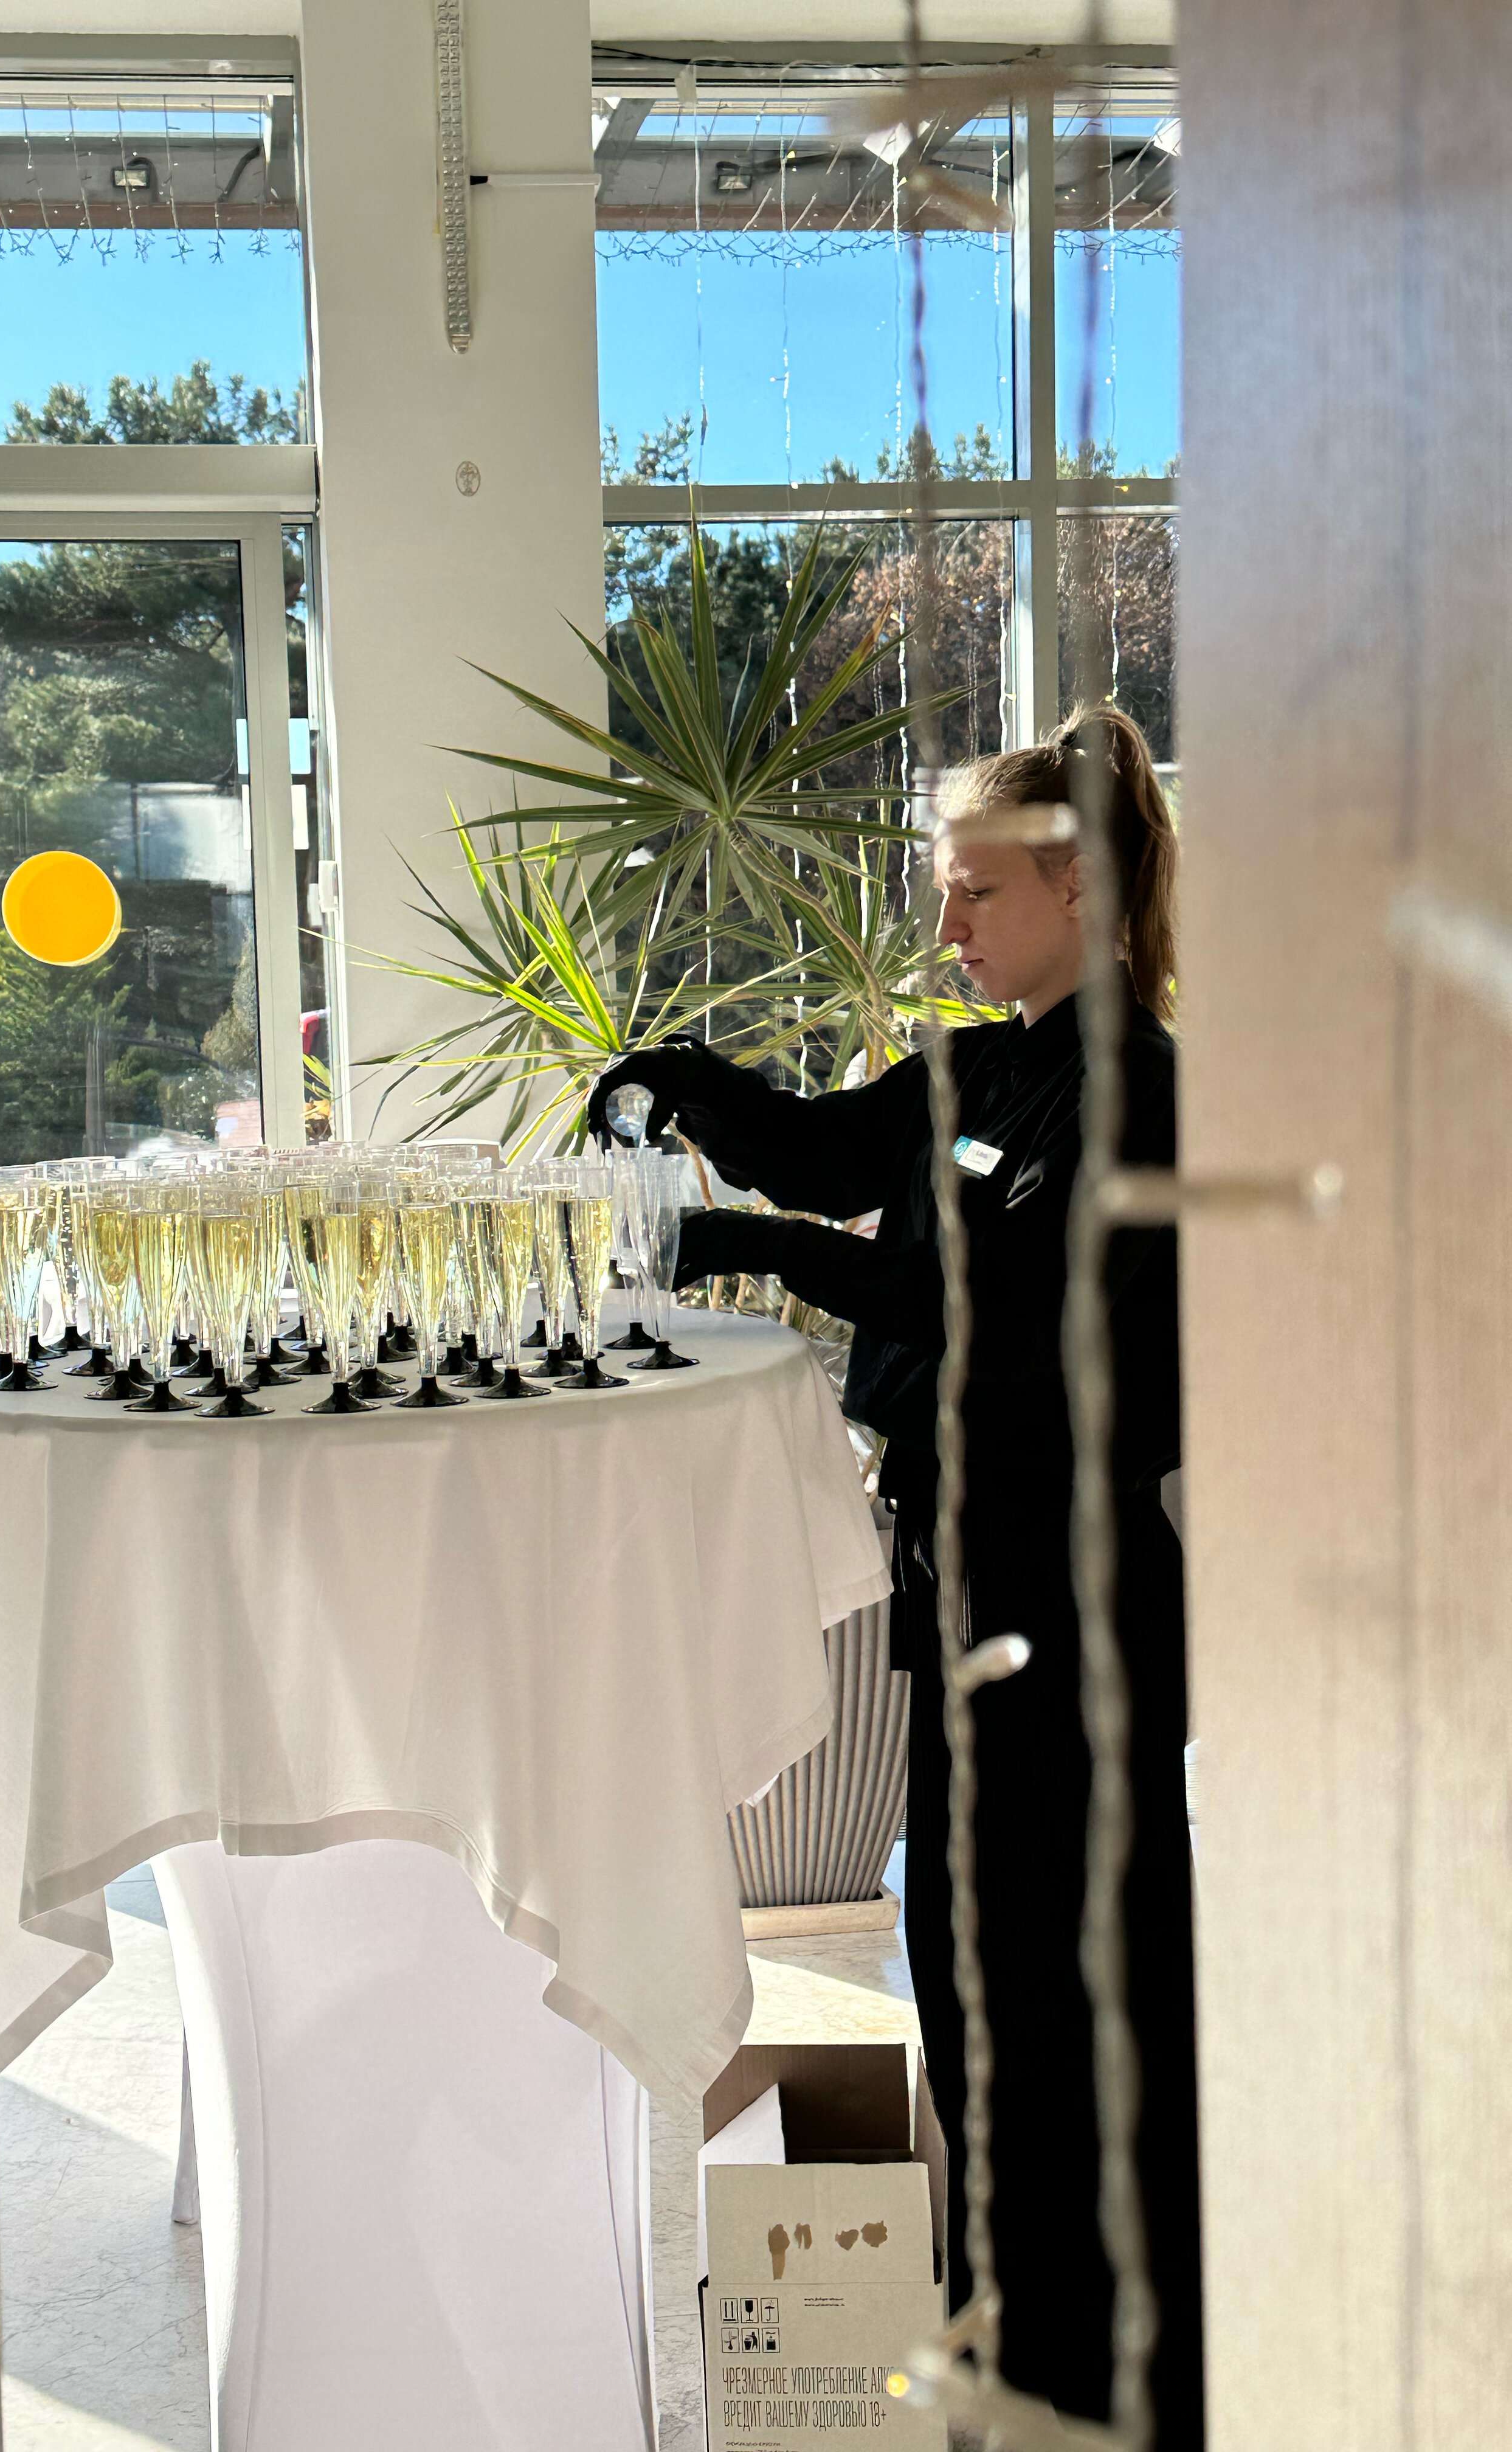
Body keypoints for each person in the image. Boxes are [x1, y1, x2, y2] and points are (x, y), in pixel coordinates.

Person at [589, 705, 1204, 2448]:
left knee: (1067, 1988)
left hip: (1073, 1601)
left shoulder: (1140, 1097)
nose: (948, 925)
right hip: (966, 1576)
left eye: (975, 893)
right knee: (969, 1970)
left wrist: (751, 1248)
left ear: (1082, 891)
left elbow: (997, 1316)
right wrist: (672, 1082)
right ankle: (1012, 2322)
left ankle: (1106, 2359)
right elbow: (824, 1153)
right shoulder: (981, 1071)